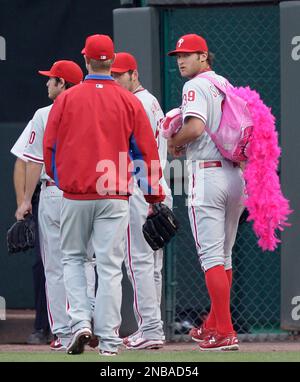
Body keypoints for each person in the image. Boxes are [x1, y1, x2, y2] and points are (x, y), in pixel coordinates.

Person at [43, 34, 166, 356]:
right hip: (115, 194)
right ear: (111, 62)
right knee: (110, 266)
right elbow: (145, 152)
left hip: (75, 193)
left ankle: (80, 322)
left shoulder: (67, 99)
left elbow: (50, 146)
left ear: (86, 60)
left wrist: (62, 180)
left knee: (72, 259)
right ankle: (109, 342)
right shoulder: (129, 100)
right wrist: (153, 195)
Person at [166, 34, 244, 351]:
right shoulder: (225, 83)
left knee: (212, 257)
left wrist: (175, 142)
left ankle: (225, 332)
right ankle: (212, 326)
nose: (181, 60)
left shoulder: (194, 86)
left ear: (204, 56)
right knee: (223, 257)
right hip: (235, 175)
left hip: (208, 175)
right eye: (178, 56)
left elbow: (195, 128)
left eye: (188, 54)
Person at [15, 60, 96, 351]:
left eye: (51, 80)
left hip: (53, 193)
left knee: (56, 267)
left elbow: (33, 160)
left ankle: (62, 333)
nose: (47, 83)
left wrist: (25, 201)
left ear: (62, 83)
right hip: (86, 193)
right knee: (86, 262)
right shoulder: (92, 111)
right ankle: (86, 322)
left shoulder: (44, 114)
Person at [111, 52, 172, 350]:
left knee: (137, 263)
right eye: (111, 75)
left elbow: (134, 153)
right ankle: (153, 327)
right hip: (156, 186)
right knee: (151, 265)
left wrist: (147, 195)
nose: (115, 80)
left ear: (134, 74)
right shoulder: (151, 101)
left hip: (141, 188)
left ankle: (150, 328)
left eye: (120, 75)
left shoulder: (135, 103)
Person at [11, 138, 50, 345]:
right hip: (43, 193)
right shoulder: (42, 116)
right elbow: (21, 161)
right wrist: (22, 204)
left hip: (80, 192)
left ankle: (83, 326)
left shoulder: (90, 111)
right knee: (42, 263)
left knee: (84, 262)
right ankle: (42, 327)